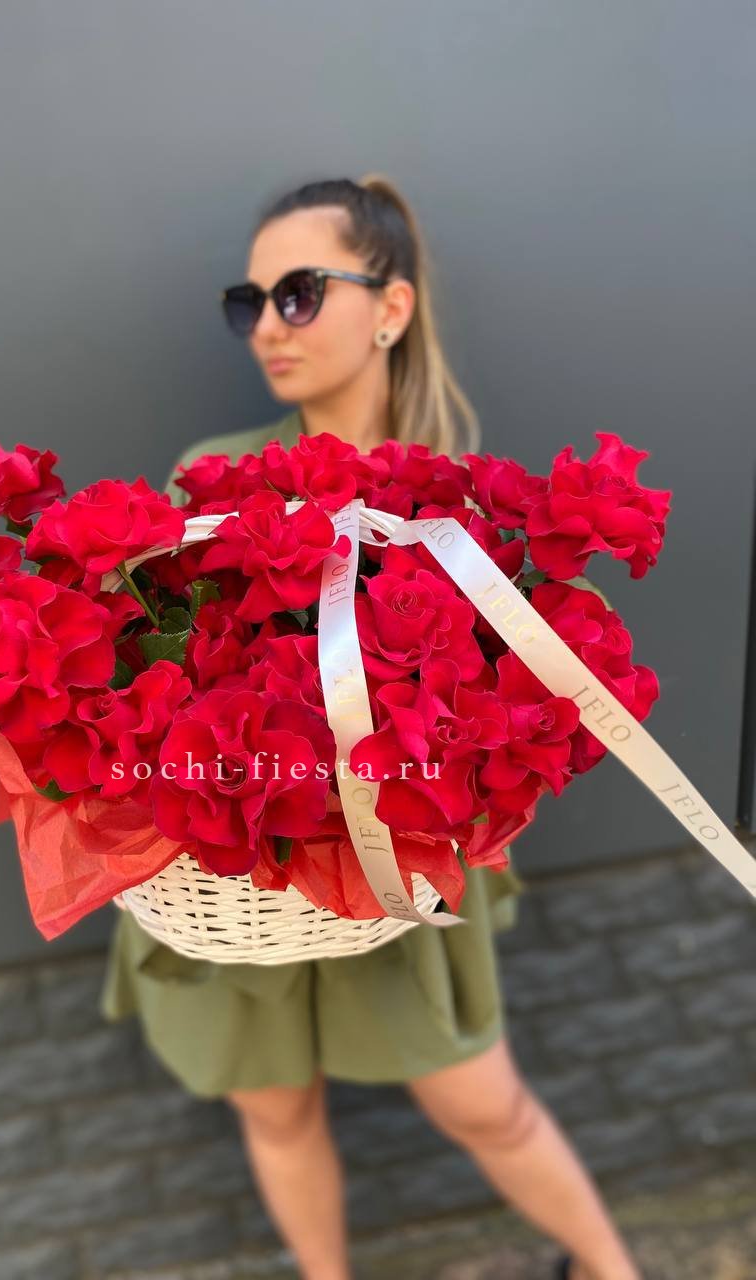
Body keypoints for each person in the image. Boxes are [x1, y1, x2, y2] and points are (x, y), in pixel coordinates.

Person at [99, 174, 642, 1280]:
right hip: (242, 874)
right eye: (249, 301)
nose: (268, 326)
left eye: (298, 293)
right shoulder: (209, 480)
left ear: (390, 307)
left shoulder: (466, 507)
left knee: (486, 1104)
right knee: (278, 1112)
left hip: (398, 876)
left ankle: (613, 1270)